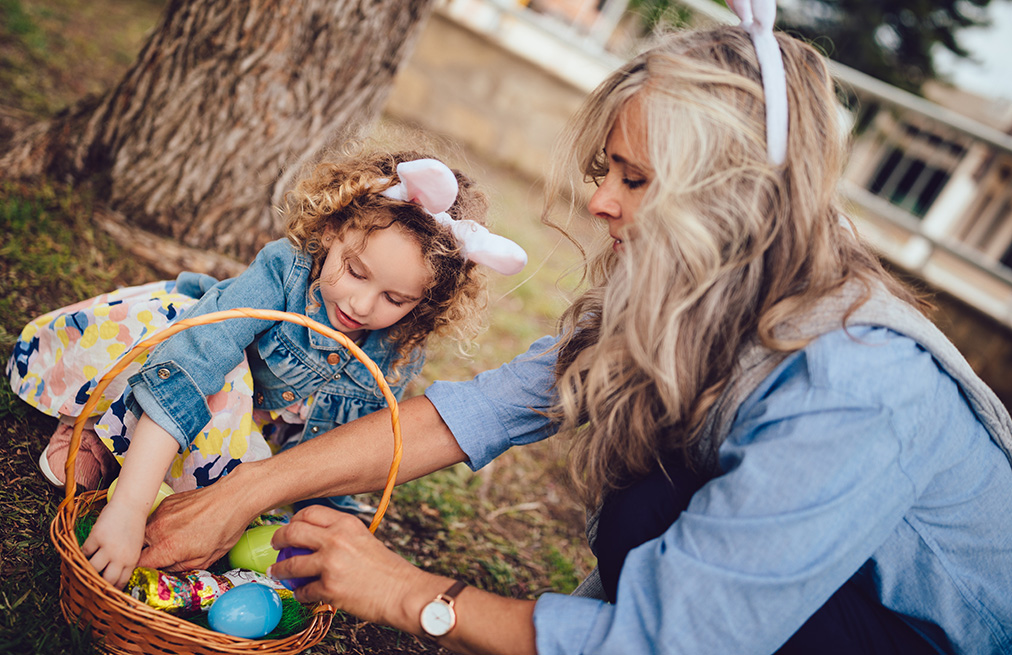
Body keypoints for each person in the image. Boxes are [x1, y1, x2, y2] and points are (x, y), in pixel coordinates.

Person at [136, 12, 1012, 655]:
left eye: (634, 178)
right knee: (645, 500)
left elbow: (671, 642)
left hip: (908, 635)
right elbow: (472, 414)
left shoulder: (854, 384)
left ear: (731, 199)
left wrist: (408, 591)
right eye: (606, 172)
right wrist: (243, 492)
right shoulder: (686, 299)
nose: (599, 202)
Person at [6, 149, 528, 589]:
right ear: (332, 231)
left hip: (245, 427)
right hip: (183, 362)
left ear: (424, 302)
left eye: (394, 297)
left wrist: (320, 538)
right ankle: (97, 426)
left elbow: (349, 447)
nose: (362, 305)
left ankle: (139, 459)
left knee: (231, 472)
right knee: (198, 367)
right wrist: (127, 508)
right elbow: (193, 361)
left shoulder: (397, 347)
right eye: (354, 270)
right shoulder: (283, 270)